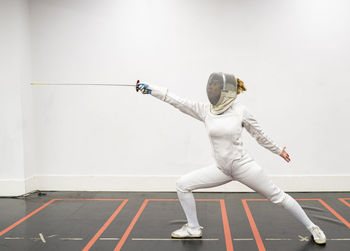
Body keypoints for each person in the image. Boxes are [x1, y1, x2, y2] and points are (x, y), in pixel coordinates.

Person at [136, 73, 326, 244]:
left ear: (226, 90)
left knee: (278, 197)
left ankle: (312, 227)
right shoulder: (206, 110)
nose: (210, 88)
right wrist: (151, 89)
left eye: (215, 85)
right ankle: (193, 229)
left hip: (243, 167)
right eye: (210, 85)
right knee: (183, 184)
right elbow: (176, 100)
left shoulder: (240, 111)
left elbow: (259, 135)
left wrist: (278, 151)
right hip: (221, 169)